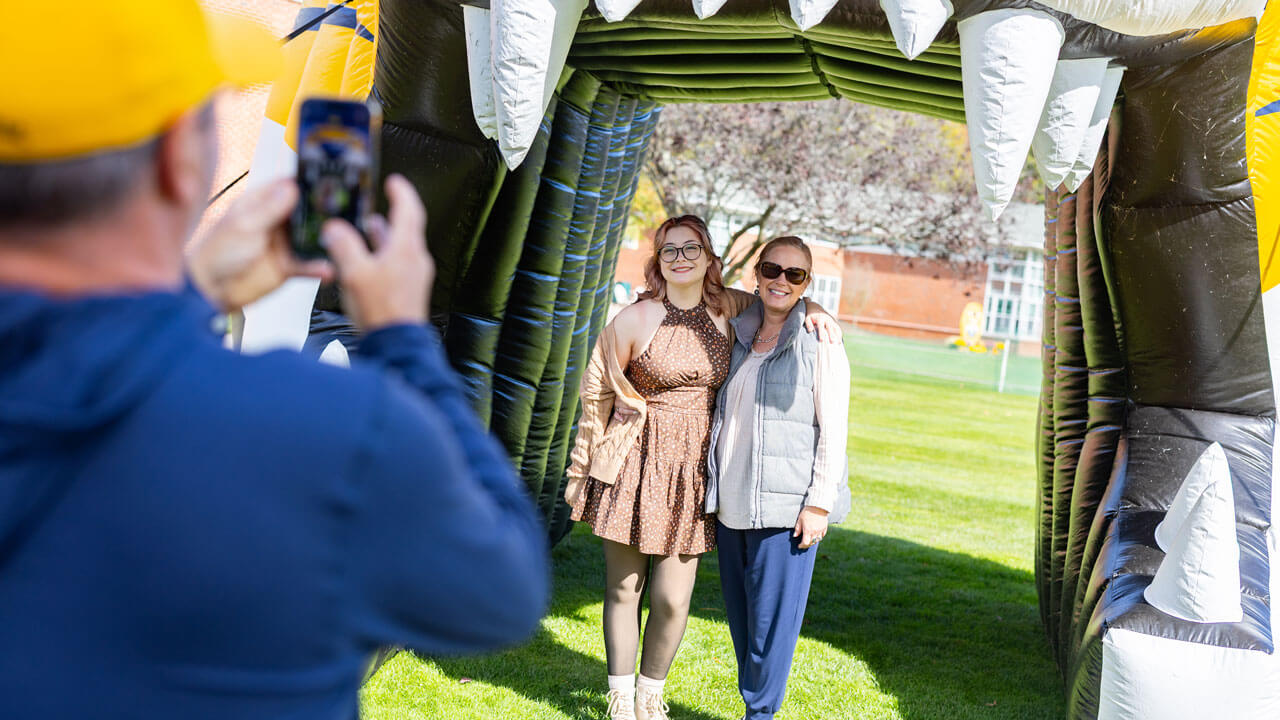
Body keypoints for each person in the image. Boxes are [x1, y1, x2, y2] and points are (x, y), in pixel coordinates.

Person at [0, 4, 548, 719]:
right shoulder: (336, 435)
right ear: (177, 160)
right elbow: (503, 596)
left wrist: (192, 293)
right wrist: (403, 338)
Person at [565, 216, 841, 720]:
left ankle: (653, 692)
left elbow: (779, 297)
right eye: (669, 251)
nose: (681, 258)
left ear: (710, 258)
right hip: (635, 461)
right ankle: (622, 700)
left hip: (694, 470)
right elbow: (596, 394)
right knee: (624, 587)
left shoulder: (730, 309)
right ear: (658, 262)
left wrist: (815, 306)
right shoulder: (635, 317)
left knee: (672, 598)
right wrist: (581, 471)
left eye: (691, 248)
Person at [707, 236, 852, 720]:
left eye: (795, 275)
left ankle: (760, 714)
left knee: (771, 627)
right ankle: (757, 707)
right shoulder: (738, 335)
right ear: (758, 274)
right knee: (745, 624)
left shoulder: (819, 340)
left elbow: (834, 426)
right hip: (732, 505)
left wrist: (820, 503)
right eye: (773, 269)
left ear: (807, 283)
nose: (781, 281)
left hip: (787, 509)